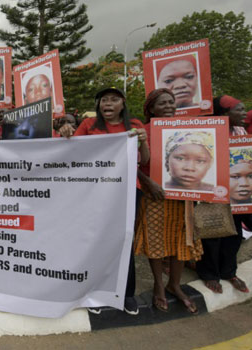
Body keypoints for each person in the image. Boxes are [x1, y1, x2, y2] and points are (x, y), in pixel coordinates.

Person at [60, 87, 148, 316]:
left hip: (127, 191)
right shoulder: (89, 126)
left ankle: (126, 293)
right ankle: (95, 292)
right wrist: (66, 133)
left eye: (114, 100)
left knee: (124, 240)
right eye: (104, 100)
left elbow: (145, 159)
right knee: (95, 241)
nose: (108, 104)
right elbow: (72, 152)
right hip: (94, 192)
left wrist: (144, 141)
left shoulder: (135, 125)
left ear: (123, 104)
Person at [135, 88, 203, 315]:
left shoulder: (189, 130)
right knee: (157, 241)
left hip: (183, 195)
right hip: (154, 195)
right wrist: (147, 182)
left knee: (181, 241)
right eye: (162, 103)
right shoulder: (142, 132)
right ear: (151, 108)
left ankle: (174, 284)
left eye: (171, 103)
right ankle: (158, 285)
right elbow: (133, 163)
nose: (168, 107)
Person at [196, 95, 251, 294]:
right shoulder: (206, 130)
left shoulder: (240, 130)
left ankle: (229, 271)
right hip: (213, 188)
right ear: (225, 113)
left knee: (234, 233)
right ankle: (209, 274)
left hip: (236, 190)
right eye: (240, 109)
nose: (245, 113)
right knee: (212, 232)